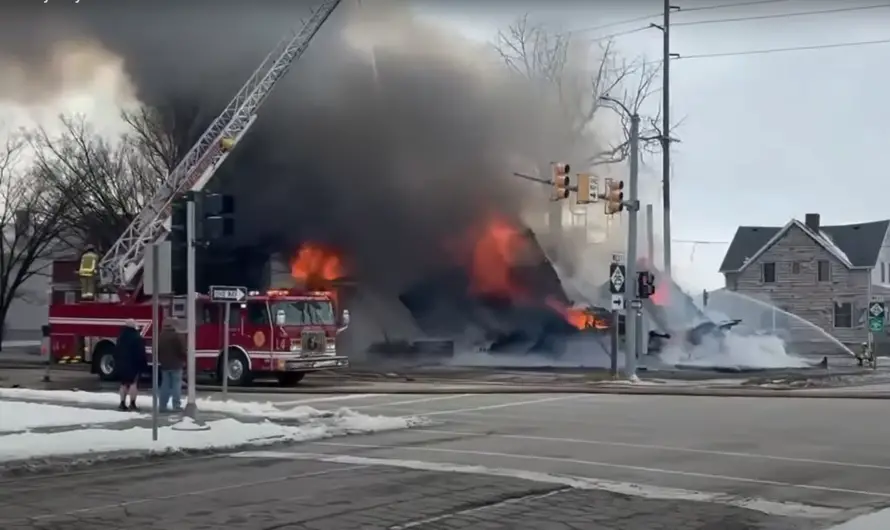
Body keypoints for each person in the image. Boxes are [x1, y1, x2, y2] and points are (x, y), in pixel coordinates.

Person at [114, 319, 147, 411]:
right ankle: (132, 403)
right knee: (133, 384)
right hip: (133, 365)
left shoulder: (120, 337)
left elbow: (116, 351)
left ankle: (122, 403)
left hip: (121, 364)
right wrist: (143, 365)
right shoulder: (137, 337)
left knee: (124, 384)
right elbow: (140, 353)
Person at [157, 318, 186, 412]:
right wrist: (183, 359)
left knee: (165, 385)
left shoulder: (161, 336)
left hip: (165, 365)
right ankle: (176, 405)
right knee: (176, 385)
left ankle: (162, 405)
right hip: (176, 364)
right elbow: (182, 350)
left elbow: (157, 350)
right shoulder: (177, 336)